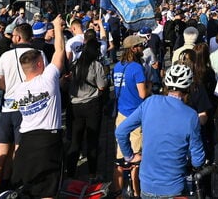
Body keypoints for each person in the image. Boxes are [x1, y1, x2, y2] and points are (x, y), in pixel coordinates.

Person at [116, 63, 206, 198]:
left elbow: (121, 131)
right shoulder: (191, 115)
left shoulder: (150, 102)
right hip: (174, 187)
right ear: (188, 89)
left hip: (147, 184)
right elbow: (197, 159)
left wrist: (130, 156)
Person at [12, 15, 67, 199]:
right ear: (39, 64)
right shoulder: (48, 80)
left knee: (27, 189)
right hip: (48, 140)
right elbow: (59, 51)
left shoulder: (18, 90)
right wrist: (57, 27)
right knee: (48, 190)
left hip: (26, 141)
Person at [0, 22, 44, 195]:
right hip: (28, 108)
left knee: (1, 153)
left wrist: (10, 89)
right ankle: (14, 186)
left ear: (18, 37)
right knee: (19, 151)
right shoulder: (39, 54)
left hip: (8, 108)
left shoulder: (6, 56)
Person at [65, 28, 107, 181]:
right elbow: (102, 86)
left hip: (75, 105)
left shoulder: (75, 64)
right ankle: (92, 173)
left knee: (75, 141)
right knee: (92, 140)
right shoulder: (96, 66)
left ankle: (70, 173)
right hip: (91, 105)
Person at [113, 34, 149, 197]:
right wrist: (149, 87)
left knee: (120, 159)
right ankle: (136, 192)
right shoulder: (136, 68)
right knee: (136, 159)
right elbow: (142, 94)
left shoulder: (117, 66)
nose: (142, 48)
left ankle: (118, 193)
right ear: (134, 49)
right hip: (136, 114)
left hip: (121, 113)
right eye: (140, 46)